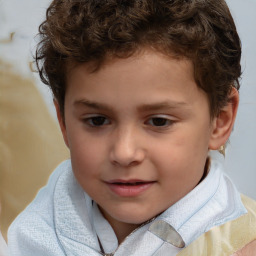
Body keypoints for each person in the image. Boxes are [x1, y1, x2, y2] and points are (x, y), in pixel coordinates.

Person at [7, 0, 256, 255]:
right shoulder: (31, 231)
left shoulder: (241, 244)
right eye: (97, 120)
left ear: (220, 120)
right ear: (63, 121)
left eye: (159, 121)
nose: (124, 153)